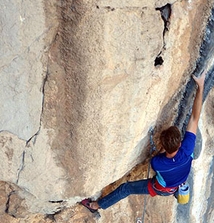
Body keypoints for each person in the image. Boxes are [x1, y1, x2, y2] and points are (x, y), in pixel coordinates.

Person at [80, 69, 206, 214]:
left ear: (163, 145)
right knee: (133, 187)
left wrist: (160, 150)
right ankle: (96, 206)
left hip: (161, 187)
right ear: (179, 143)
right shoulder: (187, 148)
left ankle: (95, 206)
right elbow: (195, 117)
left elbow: (158, 158)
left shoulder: (158, 163)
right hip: (174, 184)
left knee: (126, 188)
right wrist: (200, 86)